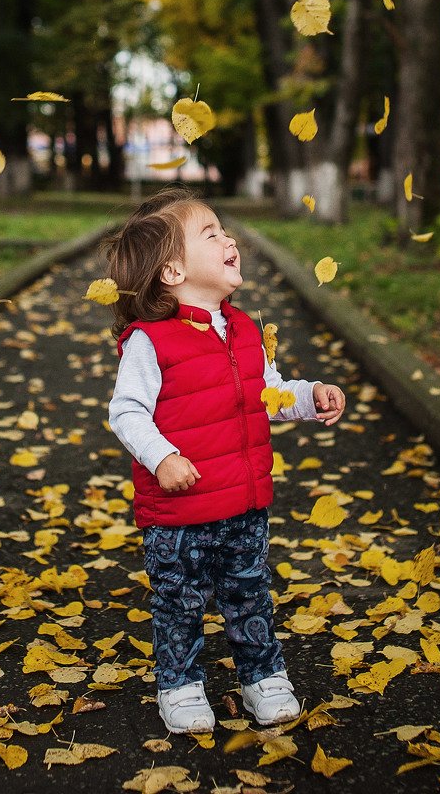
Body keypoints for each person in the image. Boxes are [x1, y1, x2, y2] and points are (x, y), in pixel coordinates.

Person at [103, 187, 346, 734]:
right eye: (210, 234)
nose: (228, 239)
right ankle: (181, 685)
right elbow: (127, 413)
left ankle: (262, 677)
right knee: (180, 602)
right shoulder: (150, 341)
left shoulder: (244, 329)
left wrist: (309, 397)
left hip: (243, 499)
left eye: (223, 230)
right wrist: (162, 456)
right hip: (180, 509)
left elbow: (268, 390)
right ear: (171, 271)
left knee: (249, 594)